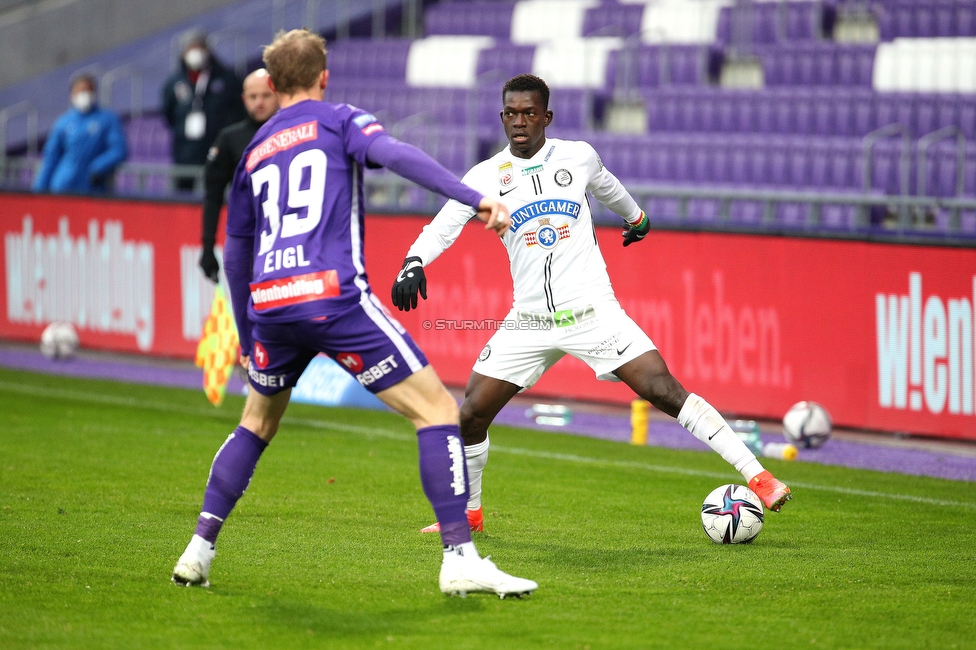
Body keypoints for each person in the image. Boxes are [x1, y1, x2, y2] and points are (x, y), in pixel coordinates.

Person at [171, 29, 537, 599]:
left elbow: (236, 251)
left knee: (256, 423)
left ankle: (198, 549)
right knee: (438, 410)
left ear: (271, 84)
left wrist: (248, 338)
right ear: (323, 77)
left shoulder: (255, 150)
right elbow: (393, 154)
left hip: (269, 304)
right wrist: (475, 197)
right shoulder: (338, 119)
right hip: (331, 296)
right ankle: (459, 557)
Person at [391, 74, 792, 534]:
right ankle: (470, 516)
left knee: (663, 390)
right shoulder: (485, 177)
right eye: (511, 114)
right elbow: (442, 226)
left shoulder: (577, 157)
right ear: (502, 117)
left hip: (592, 313)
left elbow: (608, 186)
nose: (519, 122)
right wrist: (414, 262)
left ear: (547, 117)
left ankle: (757, 476)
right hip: (529, 320)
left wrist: (635, 217)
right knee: (471, 415)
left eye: (529, 113)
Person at [199, 68, 279, 283]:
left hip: (285, 242)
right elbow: (213, 195)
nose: (259, 103)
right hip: (247, 241)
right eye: (253, 97)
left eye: (266, 95)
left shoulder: (293, 133)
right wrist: (207, 247)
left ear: (278, 95)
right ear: (244, 99)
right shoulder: (229, 139)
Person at [161, 31, 245, 191]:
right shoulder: (174, 82)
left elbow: (238, 112)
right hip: (185, 152)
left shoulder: (227, 79)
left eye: (198, 47)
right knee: (183, 198)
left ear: (207, 49)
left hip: (218, 150)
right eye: (190, 48)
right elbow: (168, 114)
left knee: (218, 194)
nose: (195, 53)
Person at [31, 74, 127, 194]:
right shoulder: (63, 122)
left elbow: (119, 151)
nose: (85, 94)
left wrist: (98, 167)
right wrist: (39, 189)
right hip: (63, 186)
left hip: (93, 188)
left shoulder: (107, 119)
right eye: (80, 91)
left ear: (95, 92)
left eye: (88, 90)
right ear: (72, 94)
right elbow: (51, 157)